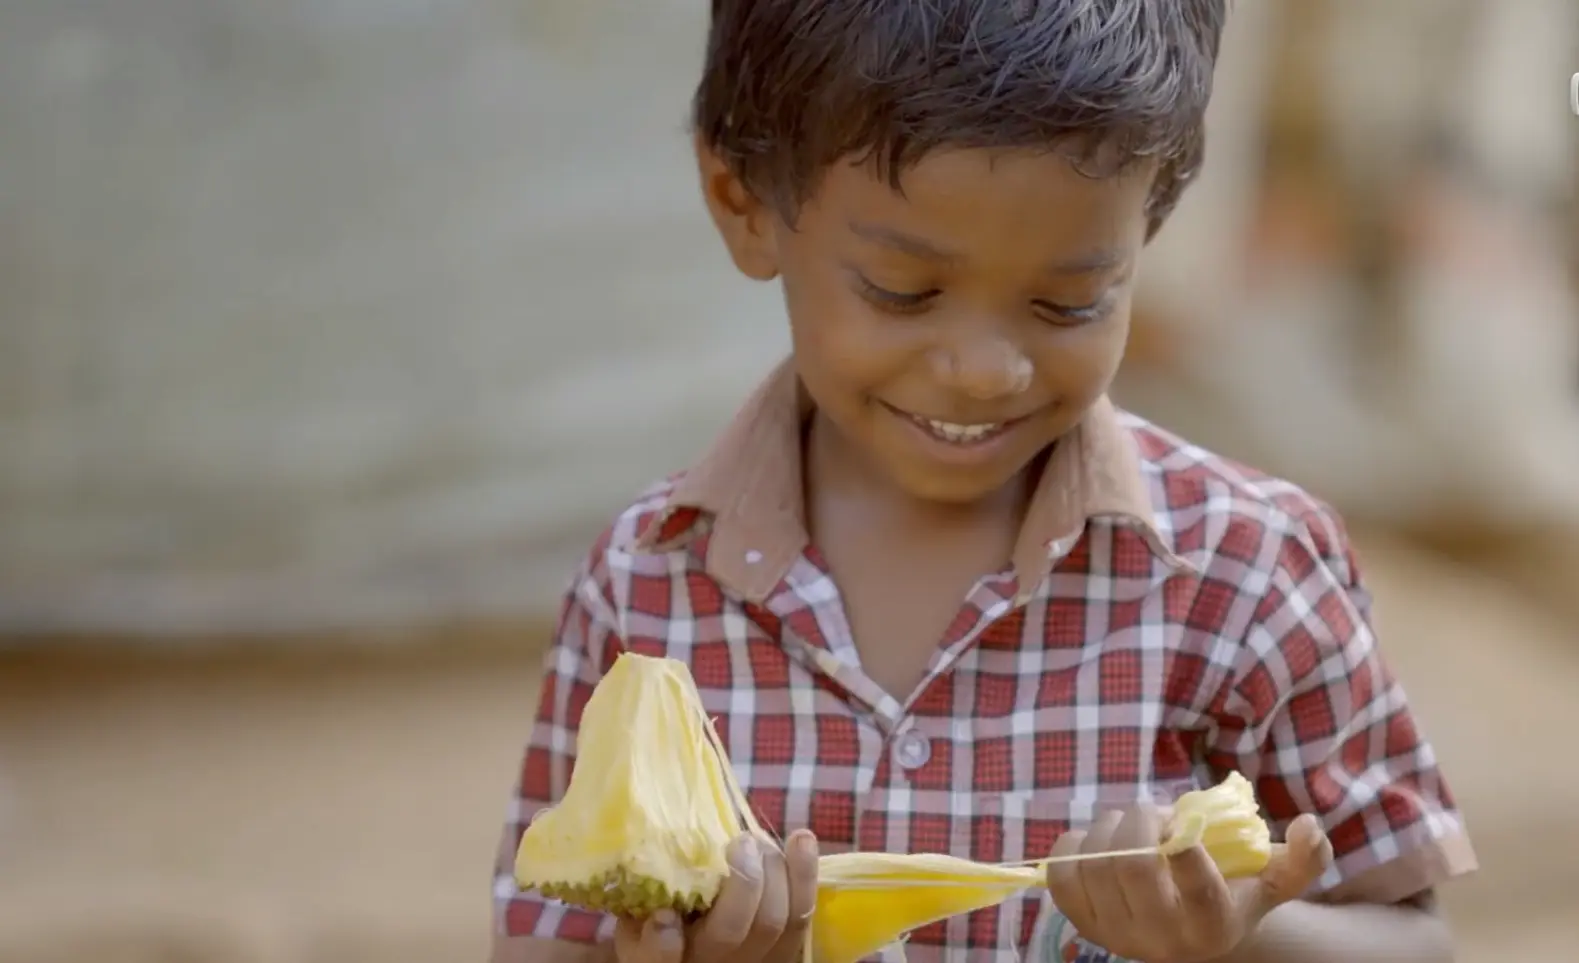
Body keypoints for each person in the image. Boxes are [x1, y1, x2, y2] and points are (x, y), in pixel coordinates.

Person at [490, 1, 1477, 961]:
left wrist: (1238, 935)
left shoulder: (1247, 574)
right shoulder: (648, 586)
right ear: (744, 202)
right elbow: (544, 939)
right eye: (903, 293)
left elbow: (1412, 935)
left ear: (1153, 219)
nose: (983, 368)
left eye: (1067, 301)